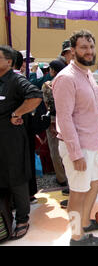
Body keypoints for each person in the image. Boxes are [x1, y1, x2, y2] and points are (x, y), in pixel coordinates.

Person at [53, 30, 98, 246]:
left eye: (91, 47)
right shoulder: (66, 78)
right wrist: (76, 154)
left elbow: (94, 111)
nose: (89, 51)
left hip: (93, 143)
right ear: (73, 50)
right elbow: (64, 119)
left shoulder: (88, 75)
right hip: (76, 146)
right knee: (77, 192)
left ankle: (84, 224)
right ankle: (76, 237)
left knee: (95, 182)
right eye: (84, 47)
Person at [0, 45, 42, 240]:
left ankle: (23, 218)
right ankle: (6, 217)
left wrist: (17, 113)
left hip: (11, 139)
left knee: (16, 177)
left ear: (9, 61)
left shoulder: (16, 80)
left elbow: (35, 96)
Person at [42, 60, 68, 187]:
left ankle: (61, 178)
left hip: (53, 119)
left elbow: (47, 105)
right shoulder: (68, 82)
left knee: (55, 150)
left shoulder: (48, 85)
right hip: (67, 119)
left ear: (53, 70)